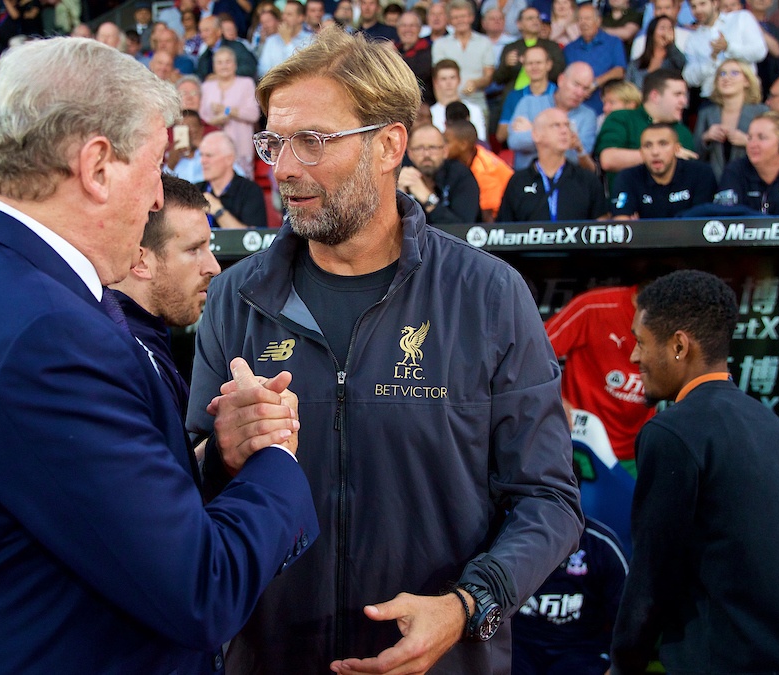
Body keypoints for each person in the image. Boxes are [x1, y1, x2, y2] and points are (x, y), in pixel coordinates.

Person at [0, 37, 318, 672]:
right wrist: (274, 458)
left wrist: (218, 458)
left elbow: (78, 506)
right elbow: (203, 590)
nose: (159, 199)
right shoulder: (47, 333)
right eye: (155, 166)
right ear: (98, 166)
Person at [189, 28, 582, 673]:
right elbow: (184, 495)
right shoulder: (236, 296)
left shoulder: (487, 295)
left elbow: (548, 501)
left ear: (389, 144)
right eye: (274, 142)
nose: (283, 167)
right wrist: (217, 457)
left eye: (312, 142)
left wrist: (465, 606)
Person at [610, 270, 779, 673]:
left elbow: (651, 576)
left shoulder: (671, 432)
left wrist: (623, 663)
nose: (634, 357)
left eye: (640, 342)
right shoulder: (770, 424)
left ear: (679, 346)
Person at [108, 174, 221, 418]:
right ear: (140, 261)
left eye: (208, 248)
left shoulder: (141, 338)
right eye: (194, 249)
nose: (213, 267)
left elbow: (168, 455)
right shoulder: (124, 358)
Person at [544, 283, 655, 468]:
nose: (635, 356)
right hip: (580, 443)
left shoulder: (682, 320)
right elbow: (532, 353)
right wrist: (554, 397)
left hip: (638, 449)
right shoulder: (593, 307)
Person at [512, 517, 628, 675]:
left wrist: (619, 667)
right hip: (520, 648)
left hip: (581, 650)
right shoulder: (512, 538)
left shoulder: (602, 545)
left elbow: (627, 619)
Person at [497, 108, 609, 222]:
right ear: (536, 135)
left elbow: (602, 229)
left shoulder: (587, 180)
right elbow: (504, 230)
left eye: (567, 125)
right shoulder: (518, 182)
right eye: (556, 125)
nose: (564, 131)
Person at [596, 68, 697, 190]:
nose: (684, 101)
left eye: (684, 95)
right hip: (628, 203)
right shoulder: (622, 118)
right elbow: (608, 159)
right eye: (677, 94)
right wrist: (668, 155)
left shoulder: (683, 132)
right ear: (655, 96)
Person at [613, 124, 717, 218]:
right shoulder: (627, 177)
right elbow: (623, 225)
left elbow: (701, 222)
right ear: (641, 152)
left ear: (677, 149)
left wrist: (641, 227)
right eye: (648, 146)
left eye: (663, 144)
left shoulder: (701, 173)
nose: (655, 152)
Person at [508, 61, 597, 170]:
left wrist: (536, 130)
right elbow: (515, 142)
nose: (579, 93)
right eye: (576, 84)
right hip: (527, 178)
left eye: (585, 88)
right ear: (561, 80)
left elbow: (577, 159)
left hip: (566, 181)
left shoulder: (588, 115)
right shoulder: (528, 102)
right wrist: (564, 141)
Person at [693, 59, 769, 180]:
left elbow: (774, 150)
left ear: (747, 81)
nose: (726, 78)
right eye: (722, 74)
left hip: (751, 181)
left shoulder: (762, 112)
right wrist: (706, 138)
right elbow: (695, 155)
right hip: (714, 185)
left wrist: (747, 142)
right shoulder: (706, 113)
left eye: (734, 73)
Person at [398, 123, 481, 223]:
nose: (426, 154)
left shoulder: (461, 175)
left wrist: (428, 199)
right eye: (419, 148)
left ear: (445, 151)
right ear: (410, 153)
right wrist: (399, 197)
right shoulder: (401, 177)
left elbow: (462, 229)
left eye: (433, 148)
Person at [683, 0, 766, 96]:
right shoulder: (692, 39)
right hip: (711, 98)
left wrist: (728, 48)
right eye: (693, 7)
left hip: (745, 95)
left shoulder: (741, 19)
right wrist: (711, 60)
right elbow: (689, 78)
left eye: (702, 4)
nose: (698, 10)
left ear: (715, 3)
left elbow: (760, 52)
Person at [199, 47, 261, 178]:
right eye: (219, 62)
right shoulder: (206, 87)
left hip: (240, 144)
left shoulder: (246, 83)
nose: (224, 66)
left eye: (228, 61)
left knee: (242, 183)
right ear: (214, 66)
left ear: (235, 64)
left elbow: (253, 114)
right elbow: (202, 117)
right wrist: (215, 121)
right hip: (214, 144)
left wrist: (227, 110)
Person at [432, 0, 496, 118]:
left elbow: (489, 76)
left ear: (471, 17)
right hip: (448, 105)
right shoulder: (440, 44)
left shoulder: (484, 42)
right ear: (450, 21)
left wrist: (475, 83)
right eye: (455, 17)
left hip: (477, 102)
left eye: (463, 16)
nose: (460, 20)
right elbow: (437, 78)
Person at [563, 3, 627, 115]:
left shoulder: (613, 42)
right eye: (580, 19)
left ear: (598, 21)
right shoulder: (569, 49)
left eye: (587, 18)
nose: (583, 23)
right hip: (577, 110)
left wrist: (594, 83)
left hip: (606, 108)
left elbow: (619, 71)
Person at [447, 117, 513, 221]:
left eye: (447, 142)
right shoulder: (471, 156)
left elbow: (489, 214)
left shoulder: (484, 169)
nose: (442, 146)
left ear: (463, 145)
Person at [716, 110, 779, 213]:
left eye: (762, 138)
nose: (752, 144)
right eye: (750, 138)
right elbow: (726, 216)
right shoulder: (735, 171)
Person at [198, 131, 269, 228]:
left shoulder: (250, 191)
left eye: (209, 155)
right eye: (201, 155)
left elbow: (253, 238)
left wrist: (219, 211)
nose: (202, 161)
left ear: (229, 159)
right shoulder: (195, 190)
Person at [494, 8, 566, 101]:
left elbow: (559, 72)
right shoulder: (511, 47)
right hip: (515, 97)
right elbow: (498, 79)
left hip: (545, 96)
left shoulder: (551, 46)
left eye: (537, 18)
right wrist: (506, 65)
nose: (535, 21)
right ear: (519, 24)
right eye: (530, 18)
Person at [497, 45, 556, 145]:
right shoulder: (514, 95)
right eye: (529, 63)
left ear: (549, 65)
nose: (534, 67)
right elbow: (500, 135)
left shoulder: (558, 94)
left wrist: (530, 127)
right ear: (523, 66)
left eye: (539, 62)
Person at [430, 59, 487, 140]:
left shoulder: (475, 110)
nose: (448, 83)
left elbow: (481, 141)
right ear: (436, 82)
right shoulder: (431, 113)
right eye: (443, 79)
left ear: (459, 79)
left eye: (452, 78)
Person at [627, 16, 686, 91]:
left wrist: (671, 45)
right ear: (652, 33)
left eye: (670, 28)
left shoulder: (674, 60)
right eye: (662, 28)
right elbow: (628, 89)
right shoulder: (635, 64)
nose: (667, 32)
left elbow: (682, 64)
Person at [257, 0, 314, 77]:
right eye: (283, 14)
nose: (284, 17)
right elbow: (262, 70)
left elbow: (301, 69)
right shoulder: (271, 40)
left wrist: (287, 42)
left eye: (289, 14)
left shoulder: (311, 40)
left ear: (300, 18)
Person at [196, 15, 258, 80]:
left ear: (219, 31)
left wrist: (222, 75)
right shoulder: (204, 56)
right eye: (201, 32)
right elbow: (200, 77)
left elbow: (250, 67)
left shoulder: (236, 47)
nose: (203, 35)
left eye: (206, 30)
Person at [395, 10, 434, 104]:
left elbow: (418, 75)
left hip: (423, 104)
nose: (408, 29)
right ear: (398, 29)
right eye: (404, 25)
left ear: (420, 29)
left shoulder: (428, 50)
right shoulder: (393, 49)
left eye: (412, 25)